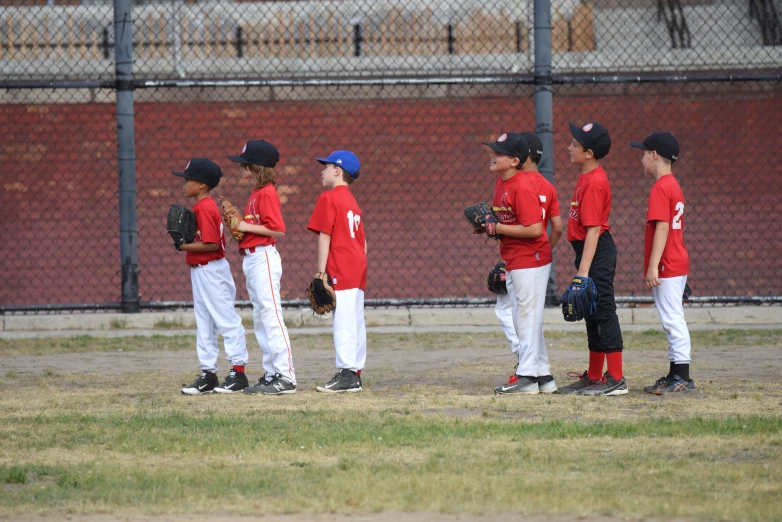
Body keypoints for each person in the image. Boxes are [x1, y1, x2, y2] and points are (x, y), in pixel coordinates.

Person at [480, 133, 556, 395]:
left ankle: (526, 377)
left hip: (530, 259)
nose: (492, 155)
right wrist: (488, 227)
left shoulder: (521, 187)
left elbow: (536, 229)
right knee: (525, 316)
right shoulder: (502, 183)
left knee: (525, 317)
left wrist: (498, 226)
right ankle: (543, 375)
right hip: (515, 258)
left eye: (498, 153)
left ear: (514, 160)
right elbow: (508, 223)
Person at [557, 122, 627, 396]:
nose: (569, 147)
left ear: (589, 153)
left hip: (596, 250)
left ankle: (617, 378)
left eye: (575, 145)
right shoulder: (586, 175)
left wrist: (583, 272)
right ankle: (596, 376)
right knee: (590, 310)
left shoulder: (595, 181)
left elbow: (594, 229)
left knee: (603, 309)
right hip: (587, 250)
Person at [225, 140, 297, 395]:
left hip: (264, 257)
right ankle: (272, 373)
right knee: (260, 318)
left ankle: (286, 377)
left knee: (271, 315)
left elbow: (278, 229)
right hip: (252, 258)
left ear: (256, 166)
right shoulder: (256, 192)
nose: (241, 167)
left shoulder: (267, 192)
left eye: (244, 163)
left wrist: (244, 227)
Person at [172, 158, 249, 396]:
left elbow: (212, 243)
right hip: (202, 270)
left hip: (212, 269)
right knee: (204, 322)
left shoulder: (205, 207)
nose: (184, 184)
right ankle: (209, 374)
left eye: (188, 180)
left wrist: (183, 247)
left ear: (202, 184)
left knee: (225, 319)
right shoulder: (201, 206)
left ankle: (238, 372)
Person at [631, 132, 696, 394]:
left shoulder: (660, 187)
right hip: (675, 261)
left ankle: (682, 377)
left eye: (644, 153)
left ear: (655, 155)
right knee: (672, 318)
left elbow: (662, 228)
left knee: (672, 320)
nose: (642, 159)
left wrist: (652, 266)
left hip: (667, 263)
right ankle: (674, 374)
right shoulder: (672, 185)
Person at [306, 150, 368, 393]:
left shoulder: (329, 198)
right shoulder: (352, 202)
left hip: (341, 265)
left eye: (326, 166)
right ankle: (355, 372)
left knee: (342, 322)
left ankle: (346, 374)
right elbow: (364, 243)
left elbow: (325, 236)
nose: (322, 171)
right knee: (355, 320)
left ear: (337, 170)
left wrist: (320, 272)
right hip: (358, 267)